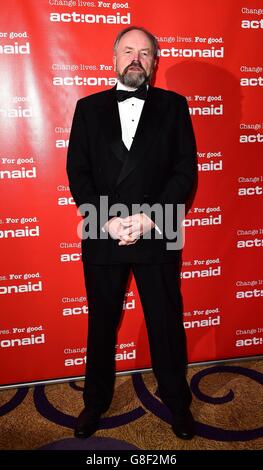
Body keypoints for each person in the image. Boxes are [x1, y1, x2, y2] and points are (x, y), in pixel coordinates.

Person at [67, 26, 197, 440]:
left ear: (155, 63)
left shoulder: (175, 107)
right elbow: (78, 172)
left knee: (165, 321)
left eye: (145, 52)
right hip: (104, 228)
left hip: (156, 230)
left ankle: (178, 401)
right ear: (114, 58)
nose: (136, 58)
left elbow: (184, 172)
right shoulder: (87, 109)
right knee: (102, 323)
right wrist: (105, 219)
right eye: (128, 50)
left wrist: (149, 219)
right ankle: (95, 401)